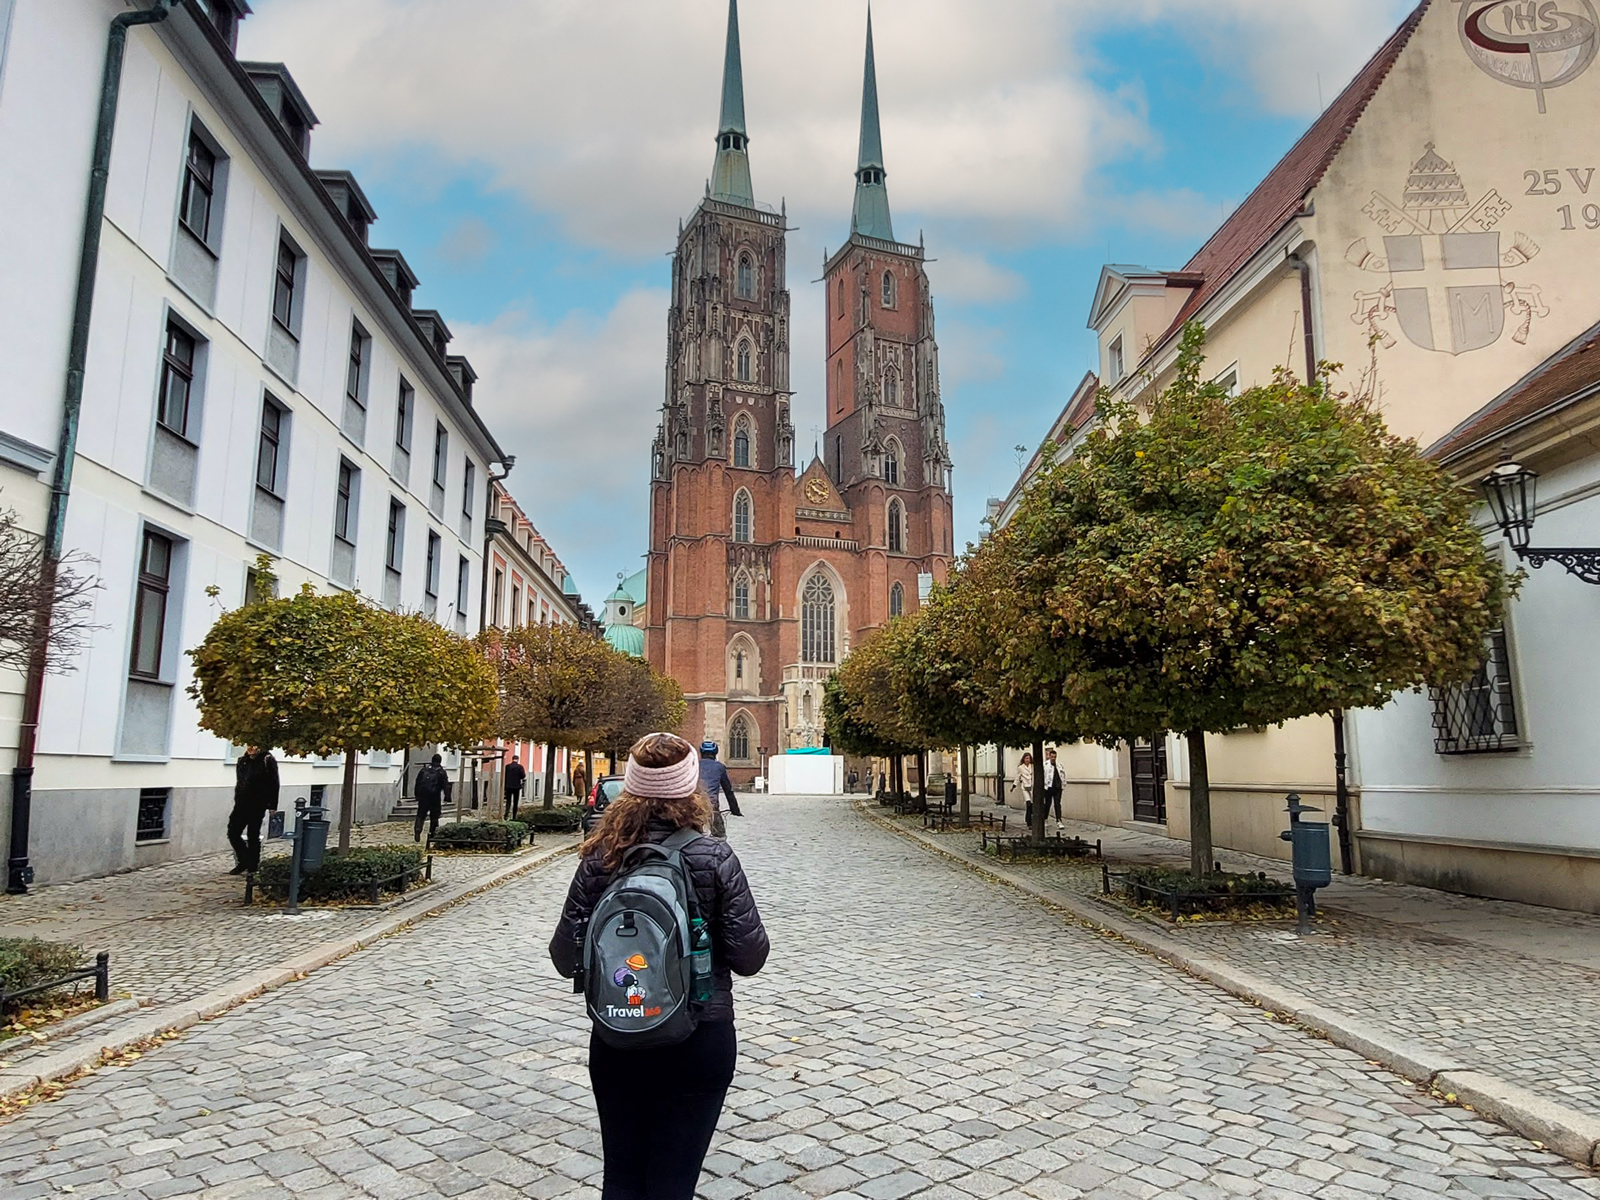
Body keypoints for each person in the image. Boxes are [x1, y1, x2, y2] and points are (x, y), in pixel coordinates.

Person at [550, 733, 769, 1200]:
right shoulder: (713, 856)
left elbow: (565, 957)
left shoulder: (599, 856)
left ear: (629, 790)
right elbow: (750, 958)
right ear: (692, 790)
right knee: (673, 1182)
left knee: (623, 1177)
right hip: (699, 1035)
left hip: (618, 1034)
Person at [227, 746, 279, 875]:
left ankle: (253, 866)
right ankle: (244, 860)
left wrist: (272, 805)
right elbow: (240, 782)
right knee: (233, 832)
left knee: (253, 835)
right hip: (241, 804)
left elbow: (274, 783)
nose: (251, 748)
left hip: (258, 803)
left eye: (254, 745)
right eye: (249, 745)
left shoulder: (267, 760)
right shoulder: (242, 761)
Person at [698, 741, 742, 839]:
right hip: (711, 804)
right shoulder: (720, 767)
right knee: (719, 835)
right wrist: (735, 810)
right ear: (715, 753)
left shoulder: (694, 764)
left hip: (694, 803)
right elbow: (728, 791)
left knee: (691, 834)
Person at [414, 753, 449, 844]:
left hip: (423, 796)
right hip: (435, 796)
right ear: (440, 761)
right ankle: (432, 834)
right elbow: (445, 785)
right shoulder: (441, 772)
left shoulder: (424, 770)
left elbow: (417, 782)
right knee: (434, 816)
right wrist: (447, 797)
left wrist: (417, 795)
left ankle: (418, 830)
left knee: (421, 814)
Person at [1044, 748, 1064, 829]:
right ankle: (1045, 818)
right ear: (1049, 756)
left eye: (1054, 757)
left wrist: (1063, 785)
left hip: (1058, 787)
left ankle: (1058, 820)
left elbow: (1062, 776)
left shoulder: (1059, 765)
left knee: (1057, 804)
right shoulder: (1045, 765)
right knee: (1047, 804)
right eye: (1052, 757)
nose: (1053, 758)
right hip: (1049, 788)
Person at [504, 754, 527, 821]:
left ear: (512, 759)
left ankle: (506, 814)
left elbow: (505, 775)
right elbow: (523, 776)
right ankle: (514, 816)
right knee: (515, 802)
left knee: (508, 801)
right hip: (516, 787)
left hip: (508, 786)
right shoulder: (520, 767)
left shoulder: (507, 766)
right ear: (517, 759)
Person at [1015, 752, 1035, 824]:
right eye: (1026, 758)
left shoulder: (1032, 766)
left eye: (1029, 758)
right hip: (1025, 787)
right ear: (1023, 759)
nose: (1027, 760)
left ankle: (1030, 819)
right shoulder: (1021, 767)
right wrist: (1014, 785)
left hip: (1032, 786)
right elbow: (1017, 777)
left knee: (1032, 804)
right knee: (1028, 803)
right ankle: (1028, 821)